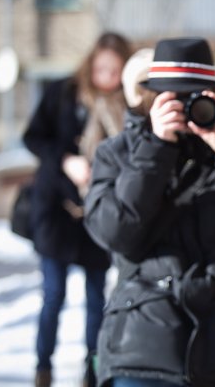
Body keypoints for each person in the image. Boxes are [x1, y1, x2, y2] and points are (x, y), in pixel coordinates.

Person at [82, 38, 215, 387]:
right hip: (141, 350)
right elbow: (117, 234)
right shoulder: (118, 154)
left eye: (195, 97)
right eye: (173, 98)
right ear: (151, 99)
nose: (185, 109)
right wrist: (156, 149)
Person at [22, 32, 133, 387]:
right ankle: (43, 367)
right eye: (101, 68)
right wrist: (67, 161)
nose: (106, 77)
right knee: (53, 294)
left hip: (99, 217)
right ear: (90, 65)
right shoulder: (64, 93)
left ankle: (93, 368)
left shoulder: (128, 102)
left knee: (96, 298)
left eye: (114, 70)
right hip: (57, 211)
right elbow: (34, 137)